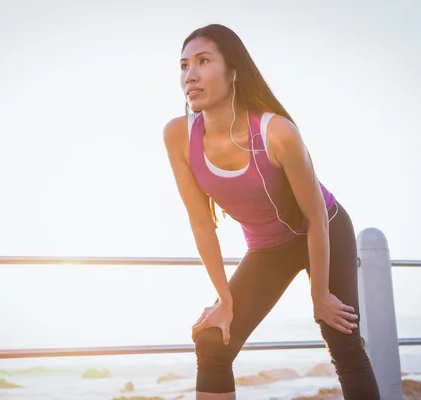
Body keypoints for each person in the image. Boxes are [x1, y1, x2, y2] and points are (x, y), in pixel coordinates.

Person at [162, 24, 380, 400]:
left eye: (202, 61)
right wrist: (224, 301)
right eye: (184, 65)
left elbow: (314, 216)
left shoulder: (277, 133)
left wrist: (321, 293)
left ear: (233, 71)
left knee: (340, 337)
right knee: (214, 341)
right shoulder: (178, 136)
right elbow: (201, 223)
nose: (190, 75)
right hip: (268, 249)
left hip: (324, 228)